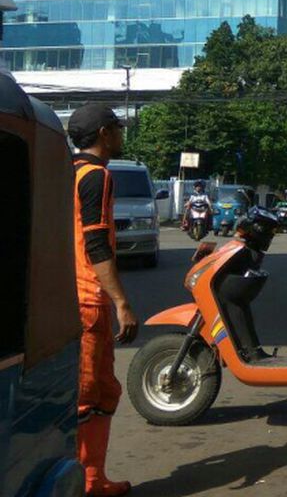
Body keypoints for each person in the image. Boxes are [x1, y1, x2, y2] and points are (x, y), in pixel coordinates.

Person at [69, 103, 138, 496]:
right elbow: (96, 243)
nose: (121, 135)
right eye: (117, 129)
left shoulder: (67, 172)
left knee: (96, 391)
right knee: (91, 394)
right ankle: (86, 482)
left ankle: (89, 478)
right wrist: (121, 302)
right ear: (104, 134)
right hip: (89, 300)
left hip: (69, 296)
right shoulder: (97, 177)